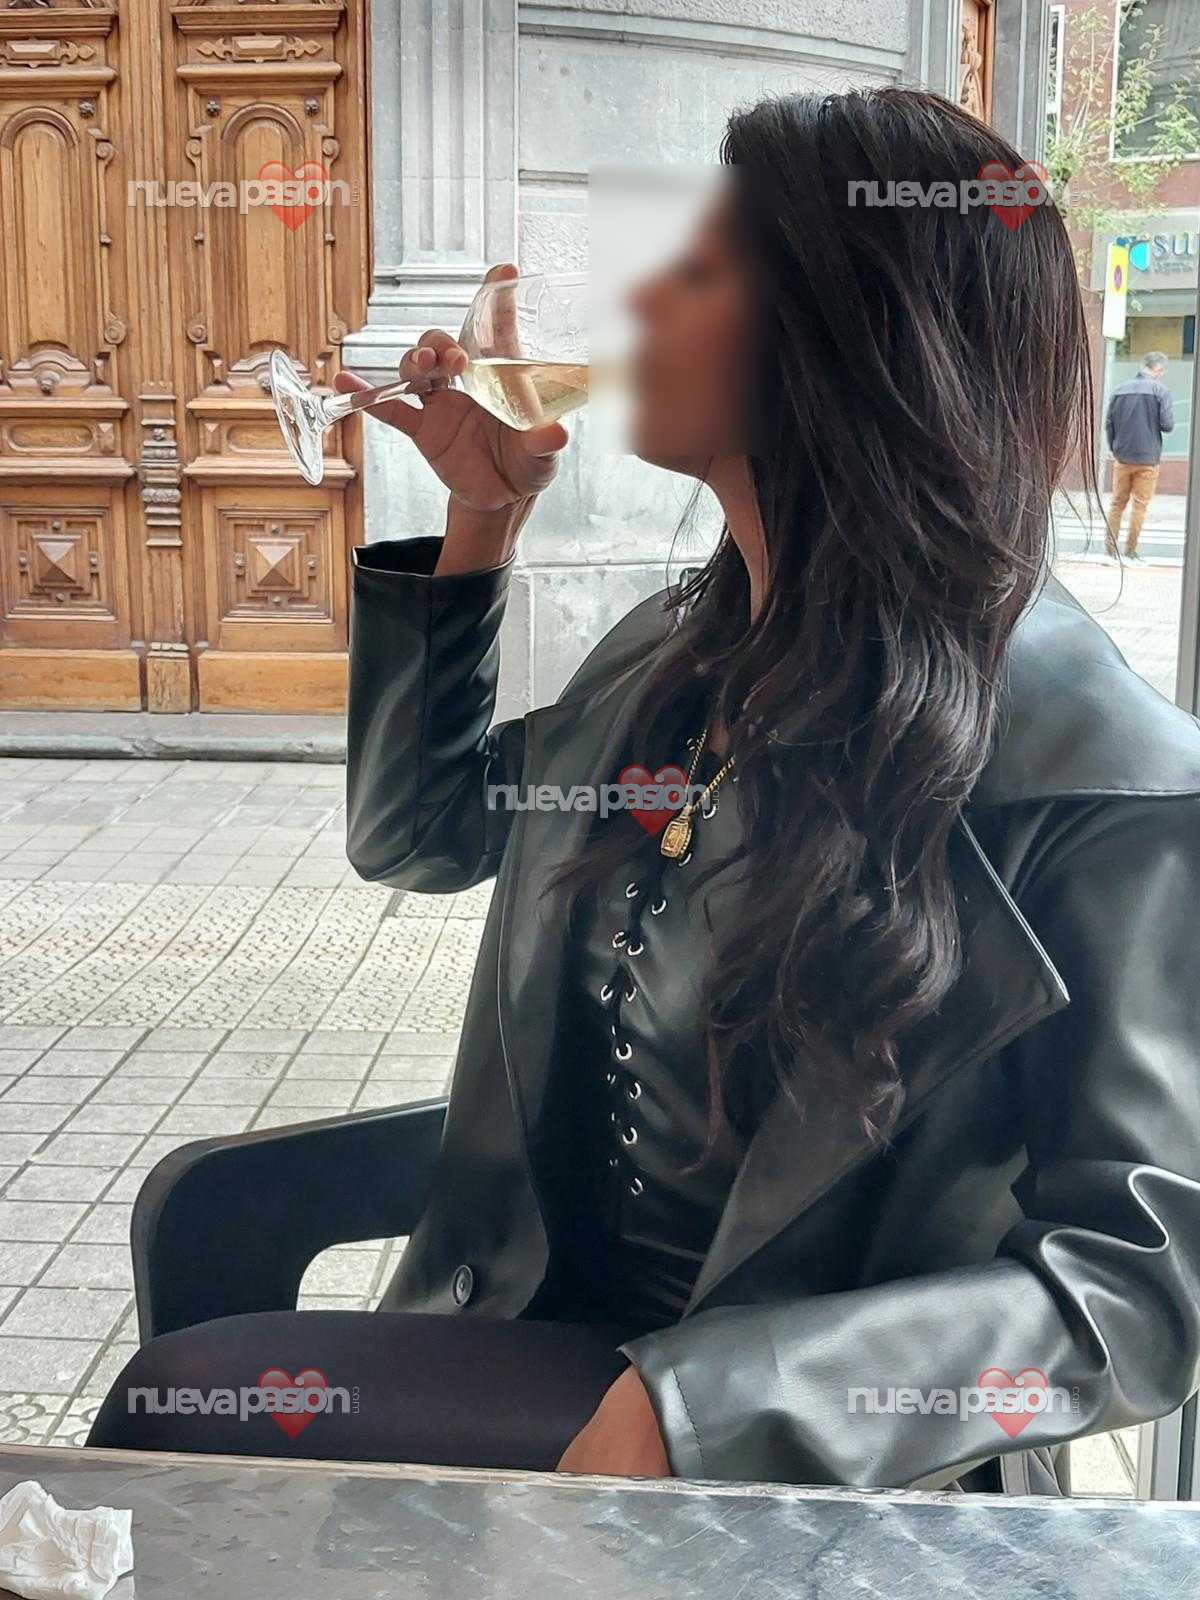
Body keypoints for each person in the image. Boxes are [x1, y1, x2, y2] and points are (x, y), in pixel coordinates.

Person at [89, 88, 1200, 1498]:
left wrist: (719, 1405)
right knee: (183, 1408)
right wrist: (482, 519)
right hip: (547, 1340)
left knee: (180, 1414)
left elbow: (1142, 1286)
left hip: (820, 1467)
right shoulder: (684, 653)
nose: (641, 301)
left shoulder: (1094, 776)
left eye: (704, 267)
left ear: (854, 336)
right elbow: (418, 837)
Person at [1104, 352, 1175, 561]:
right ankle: (1131, 549)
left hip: (1122, 457)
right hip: (1148, 458)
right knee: (1140, 505)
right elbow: (1167, 425)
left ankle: (1110, 548)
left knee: (1117, 503)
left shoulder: (1119, 390)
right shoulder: (1161, 391)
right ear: (1158, 370)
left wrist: (1115, 448)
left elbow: (1109, 424)